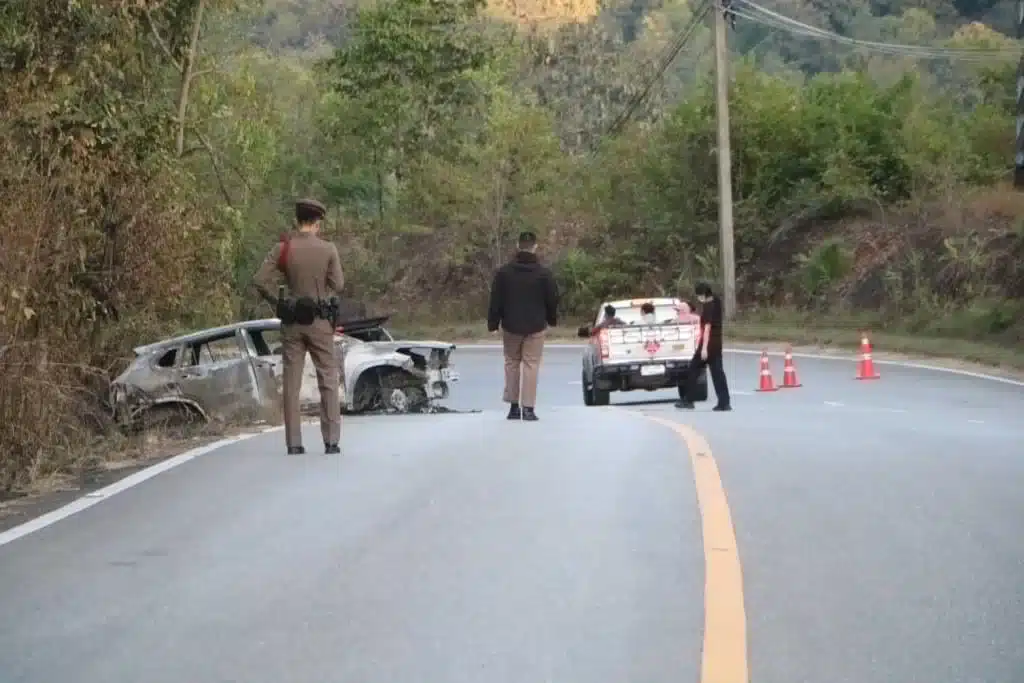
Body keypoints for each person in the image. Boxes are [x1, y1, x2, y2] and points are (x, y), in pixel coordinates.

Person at [253, 198, 345, 454]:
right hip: (319, 322)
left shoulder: (283, 248)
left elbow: (259, 280)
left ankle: (294, 443)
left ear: (297, 220)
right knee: (327, 377)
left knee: (291, 383)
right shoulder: (328, 249)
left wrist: (278, 302)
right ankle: (331, 441)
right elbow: (338, 285)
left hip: (291, 323)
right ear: (317, 223)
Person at [487, 231, 559, 421]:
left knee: (511, 363)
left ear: (518, 246)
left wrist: (493, 323)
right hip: (536, 325)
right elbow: (552, 299)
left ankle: (512, 407)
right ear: (535, 247)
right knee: (531, 364)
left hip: (511, 325)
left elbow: (496, 300)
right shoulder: (543, 273)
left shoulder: (504, 273)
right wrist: (551, 320)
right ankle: (528, 408)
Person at [676, 281, 732, 412]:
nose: (698, 298)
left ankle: (688, 400)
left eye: (699, 295)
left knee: (693, 369)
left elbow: (707, 328)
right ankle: (724, 402)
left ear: (702, 294)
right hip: (717, 343)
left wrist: (704, 349)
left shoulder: (708, 307)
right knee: (718, 373)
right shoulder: (717, 302)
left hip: (708, 344)